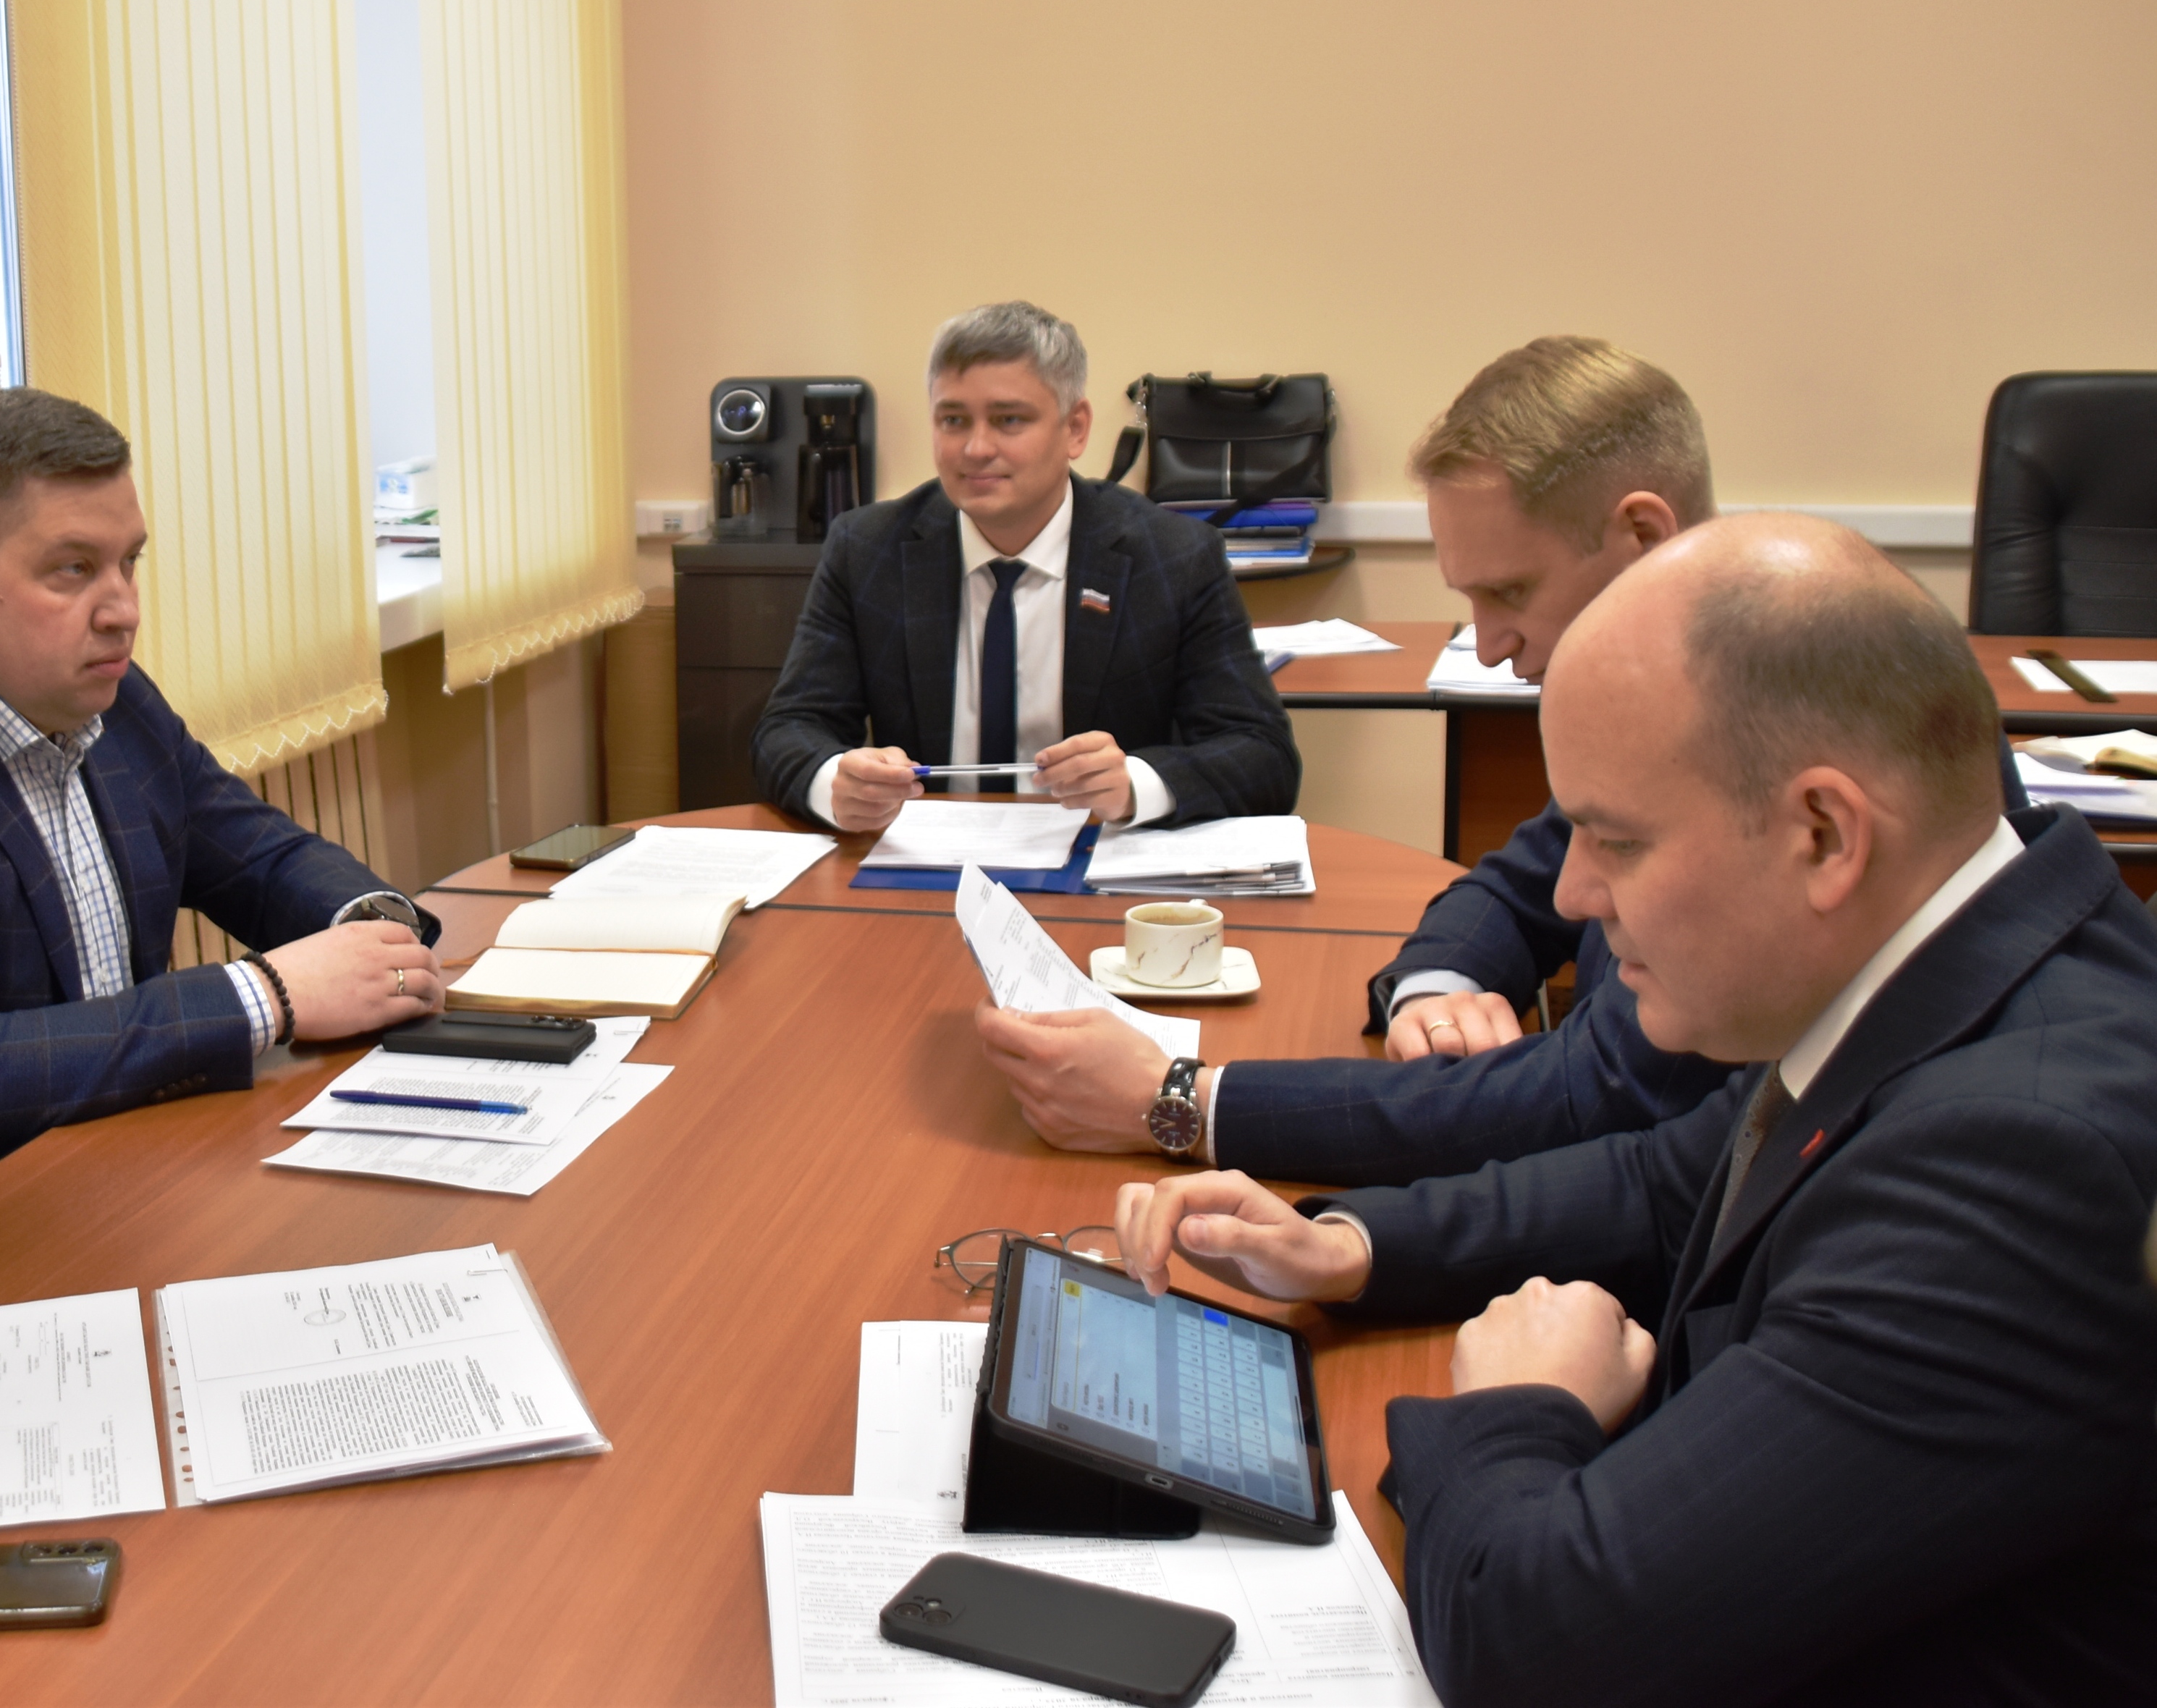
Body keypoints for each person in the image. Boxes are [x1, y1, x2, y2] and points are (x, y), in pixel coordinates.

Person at [1114, 516, 2157, 1704]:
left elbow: (1535, 1653)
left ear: (1824, 833)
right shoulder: (1947, 955)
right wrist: (1350, 1247)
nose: (1571, 893)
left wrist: (1519, 1408)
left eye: (1616, 839)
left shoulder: (2020, 1170)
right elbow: (1669, 1184)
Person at [977, 337, 1744, 1183]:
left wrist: (1176, 1100)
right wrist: (1434, 985)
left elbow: (1578, 1098)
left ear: (1641, 536)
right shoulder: (1659, 715)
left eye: (1510, 592)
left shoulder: (1746, 762)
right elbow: (1517, 888)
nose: (1489, 647)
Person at [0, 389, 444, 1211]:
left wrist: (374, 933)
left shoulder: (107, 697)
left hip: (128, 1159)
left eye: (128, 562)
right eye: (73, 569)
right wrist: (269, 994)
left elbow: (262, 857)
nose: (124, 611)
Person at [751, 300, 1298, 834]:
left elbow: (1263, 754)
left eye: (1009, 420)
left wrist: (1135, 784)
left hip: (1100, 864)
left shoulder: (1173, 557)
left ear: (1075, 429)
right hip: (928, 865)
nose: (975, 448)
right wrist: (835, 783)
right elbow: (788, 729)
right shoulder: (869, 550)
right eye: (953, 420)